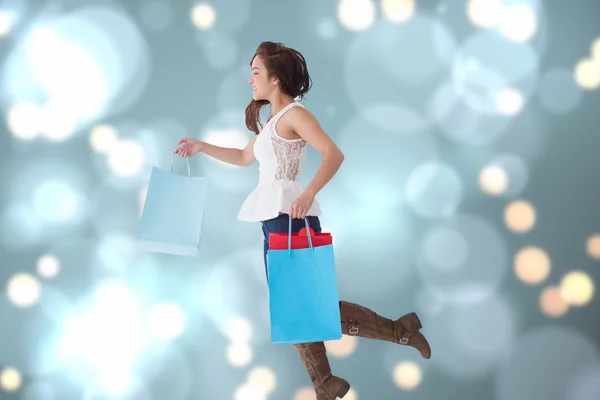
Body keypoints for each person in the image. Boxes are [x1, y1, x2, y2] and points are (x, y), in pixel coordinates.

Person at [175, 41, 431, 400]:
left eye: (256, 72)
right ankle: (336, 376)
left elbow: (333, 154)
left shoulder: (296, 115)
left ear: (275, 79)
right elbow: (243, 156)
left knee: (305, 307)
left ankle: (377, 347)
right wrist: (201, 146)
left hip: (290, 219)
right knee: (296, 309)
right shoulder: (272, 123)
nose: (250, 80)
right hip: (273, 223)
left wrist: (308, 193)